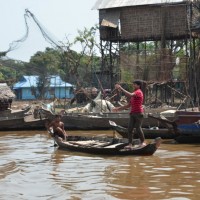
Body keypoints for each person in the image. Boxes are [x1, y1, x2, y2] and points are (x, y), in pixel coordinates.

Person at [112, 80, 146, 149]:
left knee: (138, 128)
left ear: (138, 86)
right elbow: (128, 105)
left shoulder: (138, 92)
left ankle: (143, 142)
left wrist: (121, 88)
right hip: (132, 113)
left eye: (135, 84)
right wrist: (118, 108)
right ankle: (130, 144)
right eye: (133, 84)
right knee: (130, 129)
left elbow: (129, 94)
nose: (133, 86)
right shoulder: (134, 94)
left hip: (139, 113)